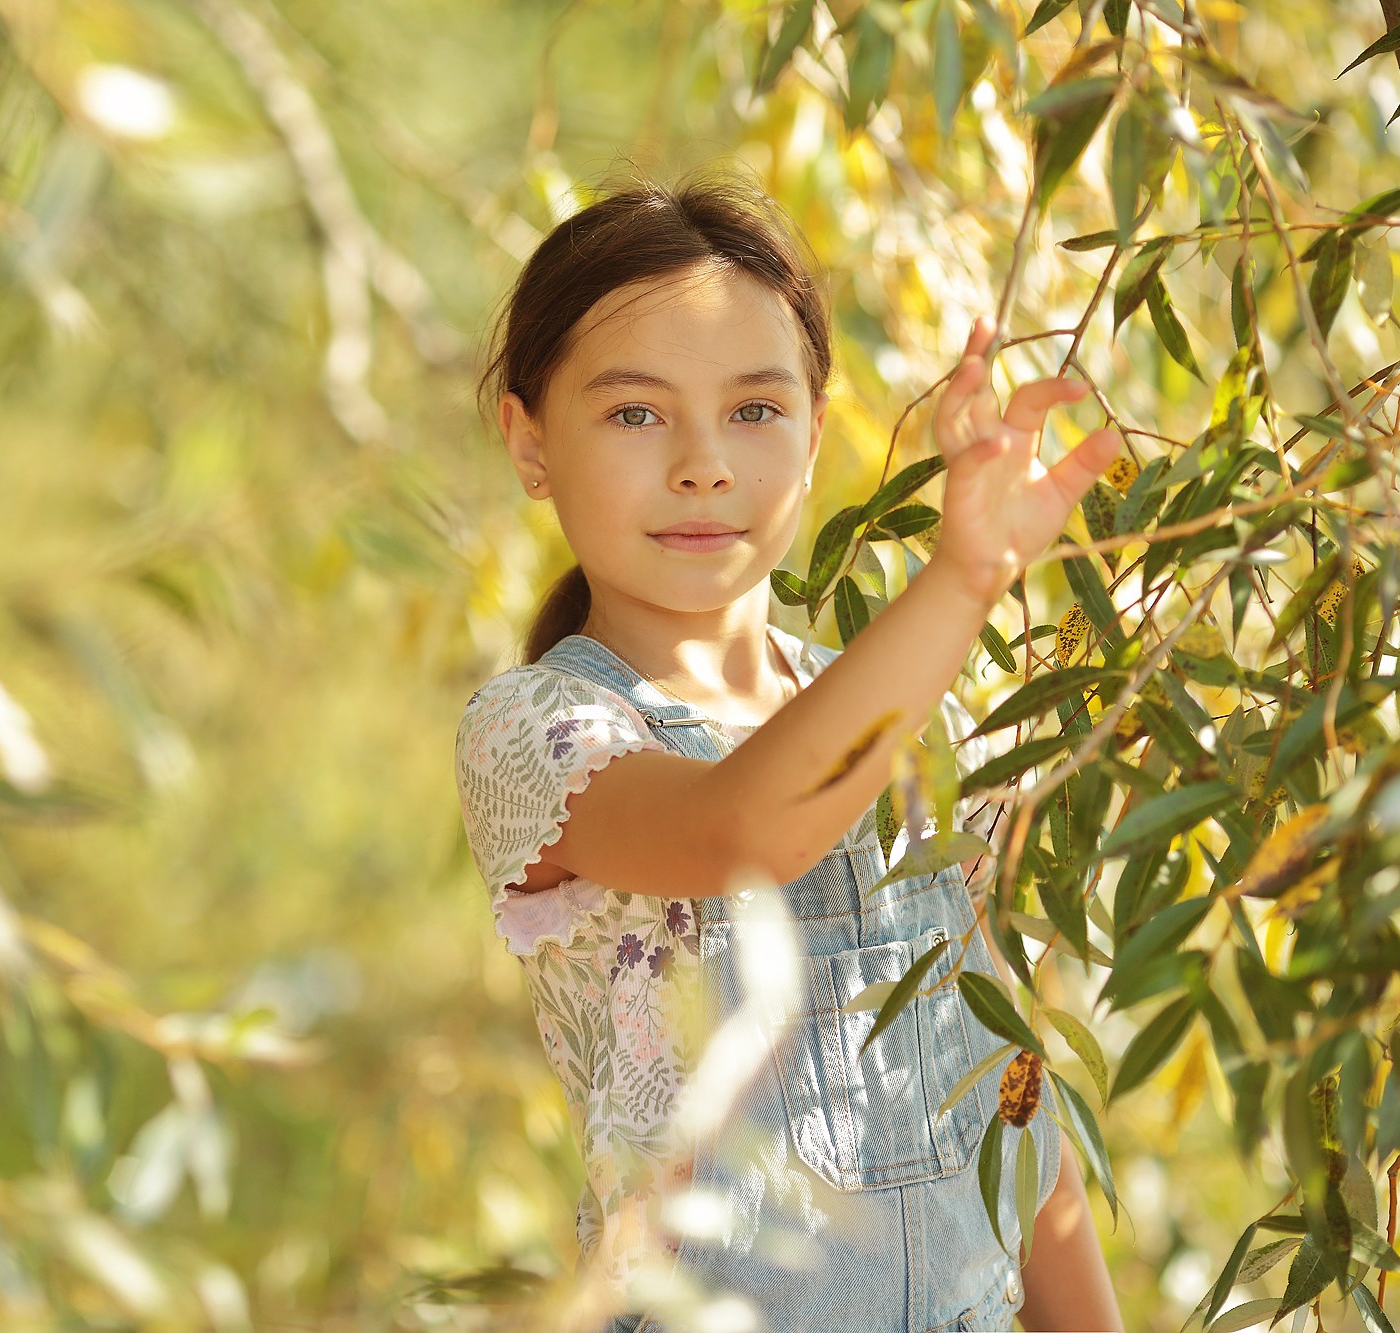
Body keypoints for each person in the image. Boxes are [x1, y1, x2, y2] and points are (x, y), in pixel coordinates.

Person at [453, 173, 1125, 1332]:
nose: (703, 464)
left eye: (755, 410)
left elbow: (1005, 1096)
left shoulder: (906, 718)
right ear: (528, 440)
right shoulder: (535, 734)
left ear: (816, 432)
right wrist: (963, 578)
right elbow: (743, 829)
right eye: (633, 414)